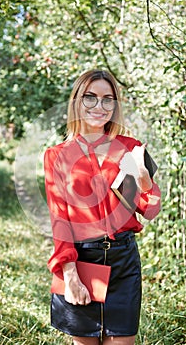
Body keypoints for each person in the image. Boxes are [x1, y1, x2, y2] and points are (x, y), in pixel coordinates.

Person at [44, 69, 161, 345]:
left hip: (123, 261)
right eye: (91, 97)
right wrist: (70, 274)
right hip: (82, 261)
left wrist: (144, 181)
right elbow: (60, 221)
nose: (100, 106)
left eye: (108, 99)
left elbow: (150, 209)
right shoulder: (57, 156)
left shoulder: (131, 149)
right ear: (76, 101)